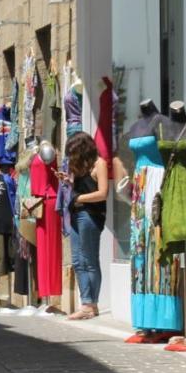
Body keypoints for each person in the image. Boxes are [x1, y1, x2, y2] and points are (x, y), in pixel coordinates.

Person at [64, 131, 108, 320]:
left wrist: (78, 198)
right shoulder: (81, 167)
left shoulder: (100, 164)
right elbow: (82, 188)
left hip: (91, 215)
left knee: (89, 260)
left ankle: (91, 304)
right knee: (77, 260)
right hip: (76, 214)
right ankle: (86, 304)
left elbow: (103, 193)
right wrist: (68, 182)